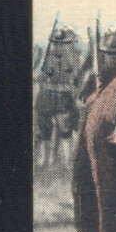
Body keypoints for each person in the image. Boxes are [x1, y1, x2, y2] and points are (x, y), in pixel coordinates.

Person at [35, 26, 83, 171]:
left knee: (65, 130)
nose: (59, 46)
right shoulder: (45, 57)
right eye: (56, 43)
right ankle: (44, 160)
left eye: (63, 43)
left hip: (64, 97)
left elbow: (77, 79)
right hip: (46, 96)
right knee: (44, 130)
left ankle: (67, 162)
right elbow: (38, 75)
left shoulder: (74, 59)